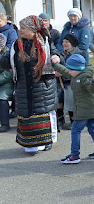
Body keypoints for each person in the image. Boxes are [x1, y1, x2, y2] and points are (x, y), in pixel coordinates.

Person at [0, 15, 59, 154]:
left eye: (23, 28)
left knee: (43, 113)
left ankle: (47, 140)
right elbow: (7, 63)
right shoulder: (16, 45)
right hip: (23, 86)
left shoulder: (45, 41)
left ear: (33, 30)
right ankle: (29, 143)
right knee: (27, 115)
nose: (19, 30)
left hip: (42, 86)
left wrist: (57, 58)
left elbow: (57, 55)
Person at [51, 53, 94, 164]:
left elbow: (92, 89)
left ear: (78, 69)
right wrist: (55, 65)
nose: (69, 71)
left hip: (84, 110)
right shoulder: (76, 74)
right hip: (89, 109)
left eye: (71, 69)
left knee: (75, 130)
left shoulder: (84, 77)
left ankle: (75, 155)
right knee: (93, 129)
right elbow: (65, 72)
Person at [59, 33, 83, 129]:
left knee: (70, 96)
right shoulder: (60, 54)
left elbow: (78, 69)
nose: (64, 44)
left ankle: (74, 120)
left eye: (67, 42)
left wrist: (63, 72)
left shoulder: (78, 54)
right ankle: (60, 120)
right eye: (63, 42)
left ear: (72, 43)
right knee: (58, 96)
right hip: (62, 80)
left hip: (73, 80)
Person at [0, 34, 13, 132]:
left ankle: (5, 124)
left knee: (2, 98)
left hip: (7, 82)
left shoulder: (8, 54)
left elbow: (10, 72)